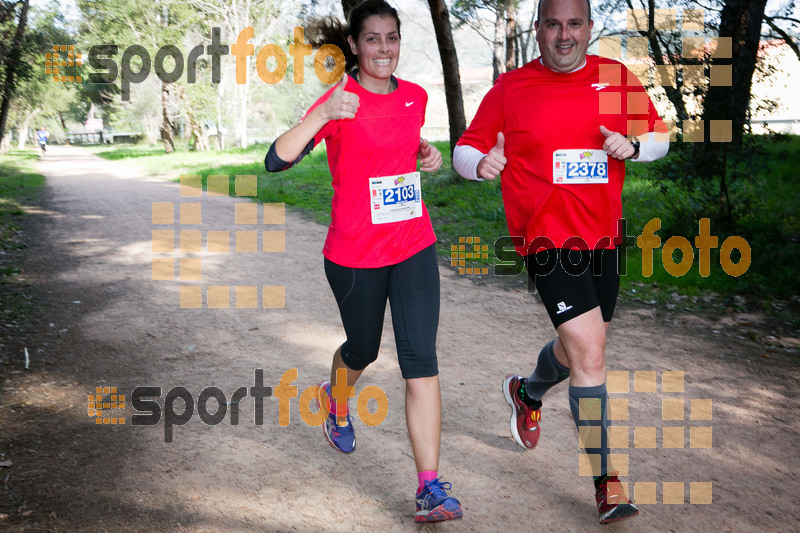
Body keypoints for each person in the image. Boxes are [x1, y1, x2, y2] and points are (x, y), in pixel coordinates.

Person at [453, 0, 669, 525]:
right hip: (547, 241)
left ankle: (527, 391)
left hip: (605, 238)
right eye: (553, 23)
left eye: (575, 24)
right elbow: (466, 147)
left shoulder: (616, 78)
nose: (564, 34)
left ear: (590, 28)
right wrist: (479, 164)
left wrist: (635, 146)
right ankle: (607, 483)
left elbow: (660, 137)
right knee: (591, 353)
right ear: (539, 28)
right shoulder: (511, 89)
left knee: (578, 351)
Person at [264, 0, 461, 523]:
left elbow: (393, 146)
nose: (383, 49)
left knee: (422, 363)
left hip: (413, 244)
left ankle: (429, 487)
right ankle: (337, 397)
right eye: (372, 39)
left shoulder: (415, 97)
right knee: (364, 349)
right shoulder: (338, 100)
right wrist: (324, 114)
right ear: (353, 45)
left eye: (391, 38)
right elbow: (275, 159)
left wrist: (425, 152)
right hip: (354, 255)